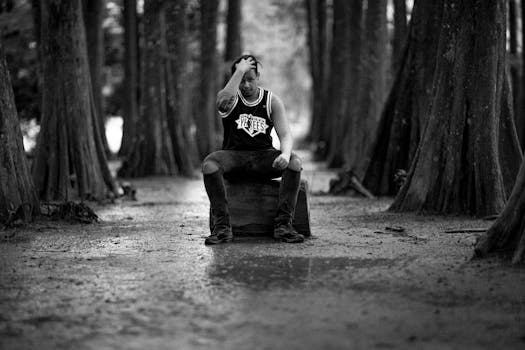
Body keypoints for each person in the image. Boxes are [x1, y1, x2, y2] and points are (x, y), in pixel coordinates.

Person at [202, 54, 304, 245]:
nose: (246, 85)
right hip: (234, 158)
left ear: (258, 77)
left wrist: (285, 154)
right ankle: (222, 228)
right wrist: (239, 70)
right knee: (209, 165)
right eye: (242, 80)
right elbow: (222, 102)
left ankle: (283, 225)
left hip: (263, 158)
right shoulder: (231, 98)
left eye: (250, 79)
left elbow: (285, 135)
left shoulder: (271, 100)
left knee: (295, 163)